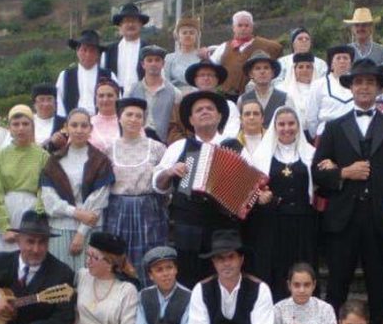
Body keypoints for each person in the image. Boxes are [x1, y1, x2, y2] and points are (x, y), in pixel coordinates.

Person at [312, 59, 383, 324]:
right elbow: (318, 173)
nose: (364, 87)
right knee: (337, 287)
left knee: (380, 288)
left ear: (379, 87)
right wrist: (344, 172)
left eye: (369, 82)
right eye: (358, 82)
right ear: (351, 87)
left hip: (379, 220)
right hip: (342, 220)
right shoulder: (333, 127)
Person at [152, 90, 240, 288]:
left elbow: (248, 191)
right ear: (191, 120)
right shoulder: (179, 147)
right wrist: (169, 172)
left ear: (219, 116)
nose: (205, 112)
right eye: (199, 110)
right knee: (188, 282)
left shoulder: (233, 147)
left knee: (223, 283)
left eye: (210, 108)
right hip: (188, 229)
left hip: (223, 230)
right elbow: (157, 185)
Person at [247, 106, 318, 301]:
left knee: (302, 270)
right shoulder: (261, 156)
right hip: (272, 225)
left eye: (291, 123)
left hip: (303, 224)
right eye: (282, 124)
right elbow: (250, 190)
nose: (287, 128)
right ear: (274, 127)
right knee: (275, 271)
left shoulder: (312, 154)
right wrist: (259, 196)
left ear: (298, 125)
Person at [102, 98, 168, 285]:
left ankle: (149, 301)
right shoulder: (108, 150)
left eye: (138, 115)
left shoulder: (156, 148)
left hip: (149, 210)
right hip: (117, 211)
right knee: (118, 257)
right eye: (128, 114)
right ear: (119, 118)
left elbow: (165, 183)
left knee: (150, 258)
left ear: (144, 120)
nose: (133, 119)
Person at [40, 108, 113, 272]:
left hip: (91, 230)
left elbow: (99, 200)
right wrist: (76, 212)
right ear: (66, 127)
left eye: (84, 126)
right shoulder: (54, 160)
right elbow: (49, 200)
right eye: (74, 125)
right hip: (60, 228)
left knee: (90, 278)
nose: (79, 130)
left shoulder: (100, 161)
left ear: (90, 129)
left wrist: (81, 233)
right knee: (59, 282)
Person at [0, 105, 50, 259]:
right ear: (10, 128)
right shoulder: (0, 156)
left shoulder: (43, 156)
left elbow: (45, 188)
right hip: (6, 211)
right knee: (1, 260)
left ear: (33, 127)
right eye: (16, 124)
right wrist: (4, 227)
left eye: (26, 124)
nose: (21, 128)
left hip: (31, 213)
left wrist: (38, 216)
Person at [209, 10, 283, 98]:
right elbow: (211, 69)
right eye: (240, 25)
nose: (243, 28)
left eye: (247, 25)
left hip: (254, 96)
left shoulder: (268, 45)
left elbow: (280, 58)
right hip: (227, 96)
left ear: (252, 27)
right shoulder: (224, 47)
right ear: (233, 28)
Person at [128, 45, 182, 144]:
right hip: (136, 142)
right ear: (143, 64)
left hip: (164, 143)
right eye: (149, 60)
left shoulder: (175, 93)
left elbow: (177, 124)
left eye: (157, 60)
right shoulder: (131, 91)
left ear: (163, 64)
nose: (153, 63)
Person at [56, 29, 115, 117]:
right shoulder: (65, 75)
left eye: (92, 51)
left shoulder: (109, 76)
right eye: (84, 50)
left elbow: (117, 100)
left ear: (98, 54)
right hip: (73, 123)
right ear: (77, 51)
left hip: (100, 122)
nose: (88, 54)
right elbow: (58, 101)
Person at [305, 45, 355, 140]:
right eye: (338, 58)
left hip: (353, 134)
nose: (342, 61)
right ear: (331, 64)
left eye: (345, 58)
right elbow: (311, 116)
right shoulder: (319, 84)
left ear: (351, 64)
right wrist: (316, 135)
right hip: (326, 134)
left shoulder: (358, 84)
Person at [184, 60, 240, 138]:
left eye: (210, 75)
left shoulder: (229, 106)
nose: (206, 78)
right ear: (195, 80)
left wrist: (212, 144)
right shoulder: (186, 106)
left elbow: (232, 132)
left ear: (217, 80)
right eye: (202, 75)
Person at [102, 3, 150, 93]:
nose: (130, 24)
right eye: (126, 21)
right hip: (115, 99)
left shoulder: (149, 49)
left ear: (140, 24)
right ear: (120, 26)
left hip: (142, 97)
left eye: (134, 21)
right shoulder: (109, 51)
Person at [237, 51, 288, 129]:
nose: (262, 72)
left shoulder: (285, 98)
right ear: (251, 74)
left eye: (266, 68)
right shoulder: (242, 100)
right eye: (257, 68)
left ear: (272, 73)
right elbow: (240, 126)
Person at [278, 52, 317, 134]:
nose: (305, 70)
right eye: (300, 67)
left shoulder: (321, 89)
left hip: (316, 134)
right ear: (294, 70)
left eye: (308, 67)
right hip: (290, 132)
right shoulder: (282, 89)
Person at [164, 16, 202, 91]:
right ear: (178, 36)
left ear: (197, 36)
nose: (188, 35)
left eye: (192, 33)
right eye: (184, 33)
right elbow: (165, 82)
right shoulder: (169, 58)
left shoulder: (202, 57)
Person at [89, 78, 121, 152]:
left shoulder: (129, 122)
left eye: (110, 95)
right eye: (101, 96)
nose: (105, 99)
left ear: (118, 99)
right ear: (95, 100)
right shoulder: (86, 123)